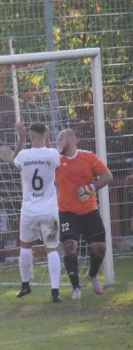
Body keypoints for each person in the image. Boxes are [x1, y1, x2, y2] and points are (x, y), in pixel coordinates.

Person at [56, 128, 113, 300]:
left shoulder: (88, 157)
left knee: (100, 248)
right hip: (67, 211)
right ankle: (76, 288)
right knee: (69, 245)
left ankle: (92, 274)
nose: (58, 142)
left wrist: (91, 188)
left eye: (61, 139)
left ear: (73, 140)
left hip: (89, 210)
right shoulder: (56, 160)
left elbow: (108, 176)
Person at [10, 122, 63, 303]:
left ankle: (25, 285)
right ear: (45, 135)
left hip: (29, 210)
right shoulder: (53, 154)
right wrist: (47, 140)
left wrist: (20, 139)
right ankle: (55, 291)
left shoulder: (24, 155)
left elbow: (14, 160)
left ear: (31, 136)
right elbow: (54, 161)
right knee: (52, 248)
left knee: (25, 246)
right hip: (49, 210)